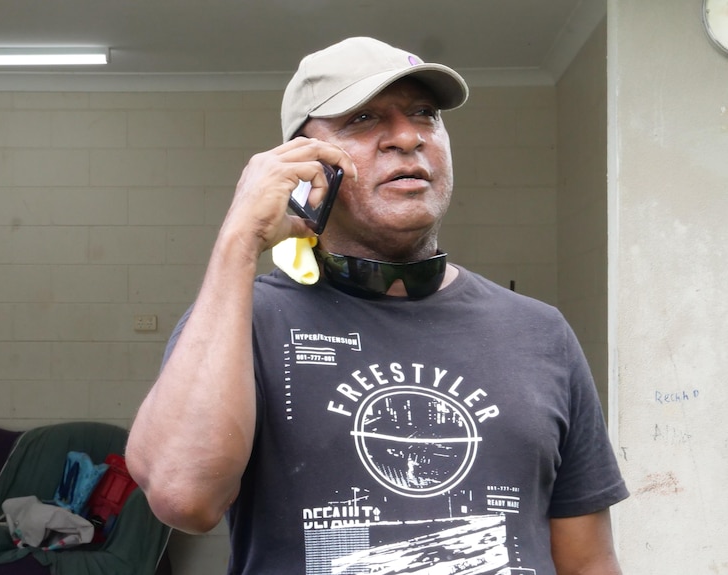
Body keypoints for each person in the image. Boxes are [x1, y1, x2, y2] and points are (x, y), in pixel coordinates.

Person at [126, 36, 629, 575]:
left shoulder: (539, 331)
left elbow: (587, 561)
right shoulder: (243, 321)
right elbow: (184, 497)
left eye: (425, 115)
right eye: (364, 119)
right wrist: (240, 240)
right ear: (304, 163)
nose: (408, 137)